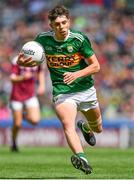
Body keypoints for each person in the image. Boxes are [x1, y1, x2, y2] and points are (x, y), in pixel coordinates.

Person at [17, 5, 103, 175]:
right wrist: (23, 63)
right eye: (57, 24)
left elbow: (96, 66)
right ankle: (82, 158)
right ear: (51, 25)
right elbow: (32, 59)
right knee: (67, 124)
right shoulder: (42, 40)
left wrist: (77, 74)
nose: (61, 27)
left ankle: (86, 127)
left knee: (98, 128)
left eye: (64, 23)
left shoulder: (79, 39)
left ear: (69, 22)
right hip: (62, 91)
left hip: (85, 89)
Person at [10, 55, 45, 152]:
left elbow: (40, 72)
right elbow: (12, 78)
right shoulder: (16, 60)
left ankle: (22, 115)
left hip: (30, 95)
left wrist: (42, 85)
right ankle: (13, 142)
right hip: (17, 95)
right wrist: (23, 77)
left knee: (35, 120)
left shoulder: (37, 59)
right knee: (17, 124)